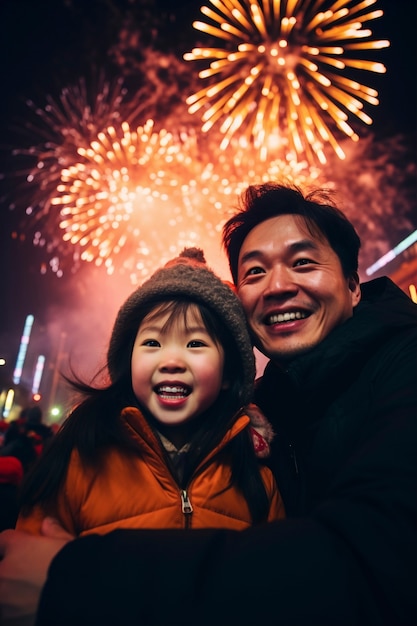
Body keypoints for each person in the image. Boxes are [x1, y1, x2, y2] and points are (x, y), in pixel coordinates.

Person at [0, 182, 415, 626]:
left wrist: (76, 582)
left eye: (302, 262)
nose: (277, 285)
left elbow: (382, 562)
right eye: (254, 273)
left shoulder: (402, 368)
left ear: (354, 285)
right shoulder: (266, 413)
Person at [15, 247, 284, 537]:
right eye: (152, 343)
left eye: (195, 344)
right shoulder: (81, 456)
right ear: (127, 362)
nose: (170, 362)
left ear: (228, 375)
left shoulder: (258, 477)